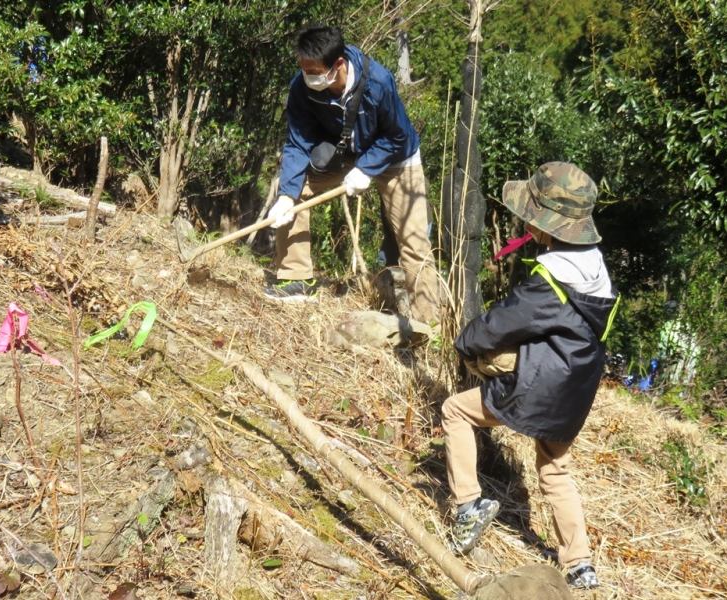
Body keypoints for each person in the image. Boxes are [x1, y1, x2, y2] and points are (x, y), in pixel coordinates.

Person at [440, 162, 620, 589]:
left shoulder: (552, 280)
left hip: (537, 387)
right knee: (556, 469)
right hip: (575, 391)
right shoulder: (597, 271)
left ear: (548, 224)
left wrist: (465, 343)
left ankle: (467, 508)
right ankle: (579, 564)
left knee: (454, 412)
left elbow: (504, 322)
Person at [264, 24, 440, 323]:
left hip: (397, 157)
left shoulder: (378, 82)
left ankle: (430, 322)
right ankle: (297, 278)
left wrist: (366, 169)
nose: (309, 77)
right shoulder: (301, 88)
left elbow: (396, 136)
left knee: (413, 240)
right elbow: (298, 142)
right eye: (304, 69)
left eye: (314, 70)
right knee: (292, 186)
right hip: (346, 154)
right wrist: (286, 196)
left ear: (339, 64)